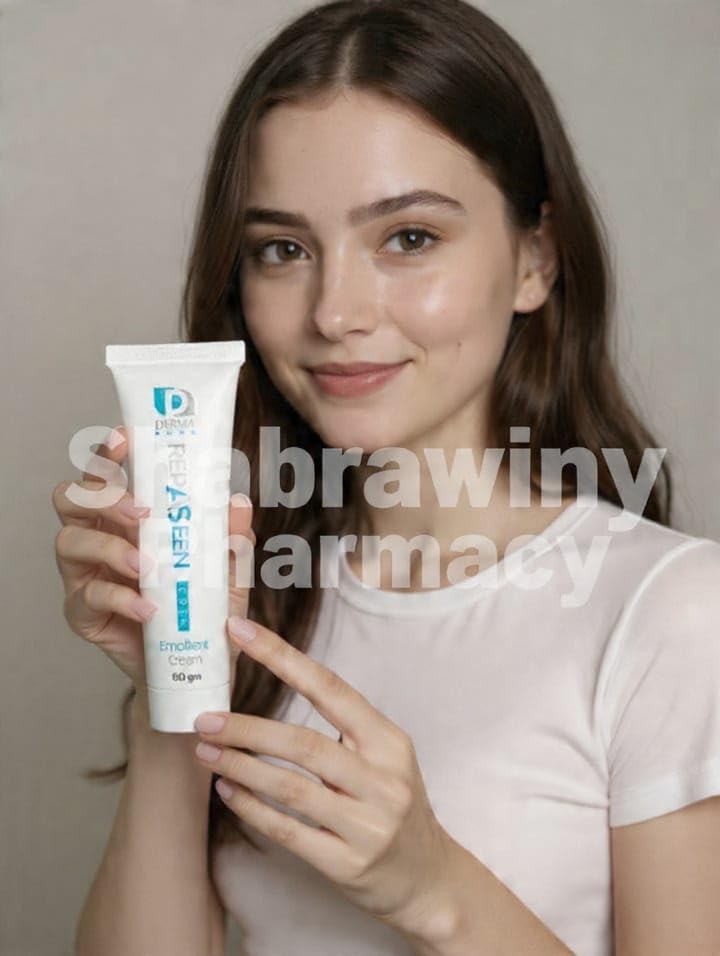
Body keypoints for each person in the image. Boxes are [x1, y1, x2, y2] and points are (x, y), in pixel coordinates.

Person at [53, 1, 720, 954]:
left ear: (535, 259)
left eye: (408, 238)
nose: (335, 312)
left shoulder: (670, 613)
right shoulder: (255, 595)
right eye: (283, 249)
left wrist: (434, 887)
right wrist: (171, 689)